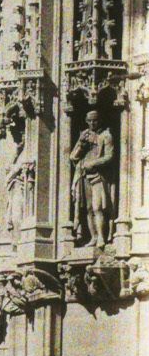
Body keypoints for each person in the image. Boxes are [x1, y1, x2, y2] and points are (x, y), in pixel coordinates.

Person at [70, 107, 117, 252]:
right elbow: (73, 157)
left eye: (95, 120)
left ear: (99, 120)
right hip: (84, 175)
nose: (92, 123)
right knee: (88, 208)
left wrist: (93, 163)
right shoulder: (84, 135)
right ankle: (94, 237)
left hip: (99, 175)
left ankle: (102, 237)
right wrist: (80, 144)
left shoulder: (106, 136)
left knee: (98, 207)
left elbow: (109, 156)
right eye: (89, 121)